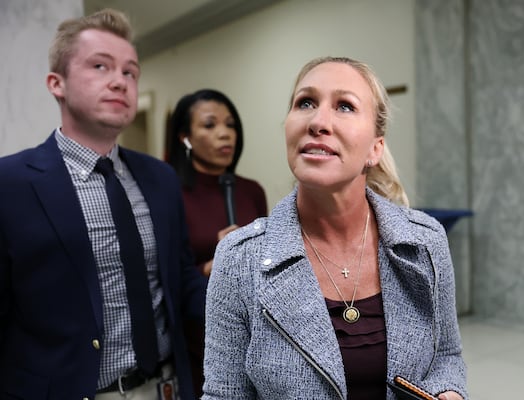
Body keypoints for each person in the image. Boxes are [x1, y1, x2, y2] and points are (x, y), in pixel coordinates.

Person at [202, 56, 468, 399]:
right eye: (306, 103)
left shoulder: (425, 241)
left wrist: (449, 392)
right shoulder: (239, 260)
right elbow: (224, 394)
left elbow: (446, 356)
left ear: (376, 148)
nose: (318, 121)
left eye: (344, 106)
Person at [0, 9, 205, 400]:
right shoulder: (10, 184)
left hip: (167, 387)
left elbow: (181, 276)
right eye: (100, 66)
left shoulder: (160, 178)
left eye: (130, 72)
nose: (120, 82)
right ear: (56, 83)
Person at [167, 89, 268, 396]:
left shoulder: (251, 190)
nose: (225, 134)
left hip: (252, 329)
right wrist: (213, 265)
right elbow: (167, 273)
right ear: (185, 137)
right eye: (210, 125)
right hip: (195, 333)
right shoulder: (170, 191)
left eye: (230, 125)